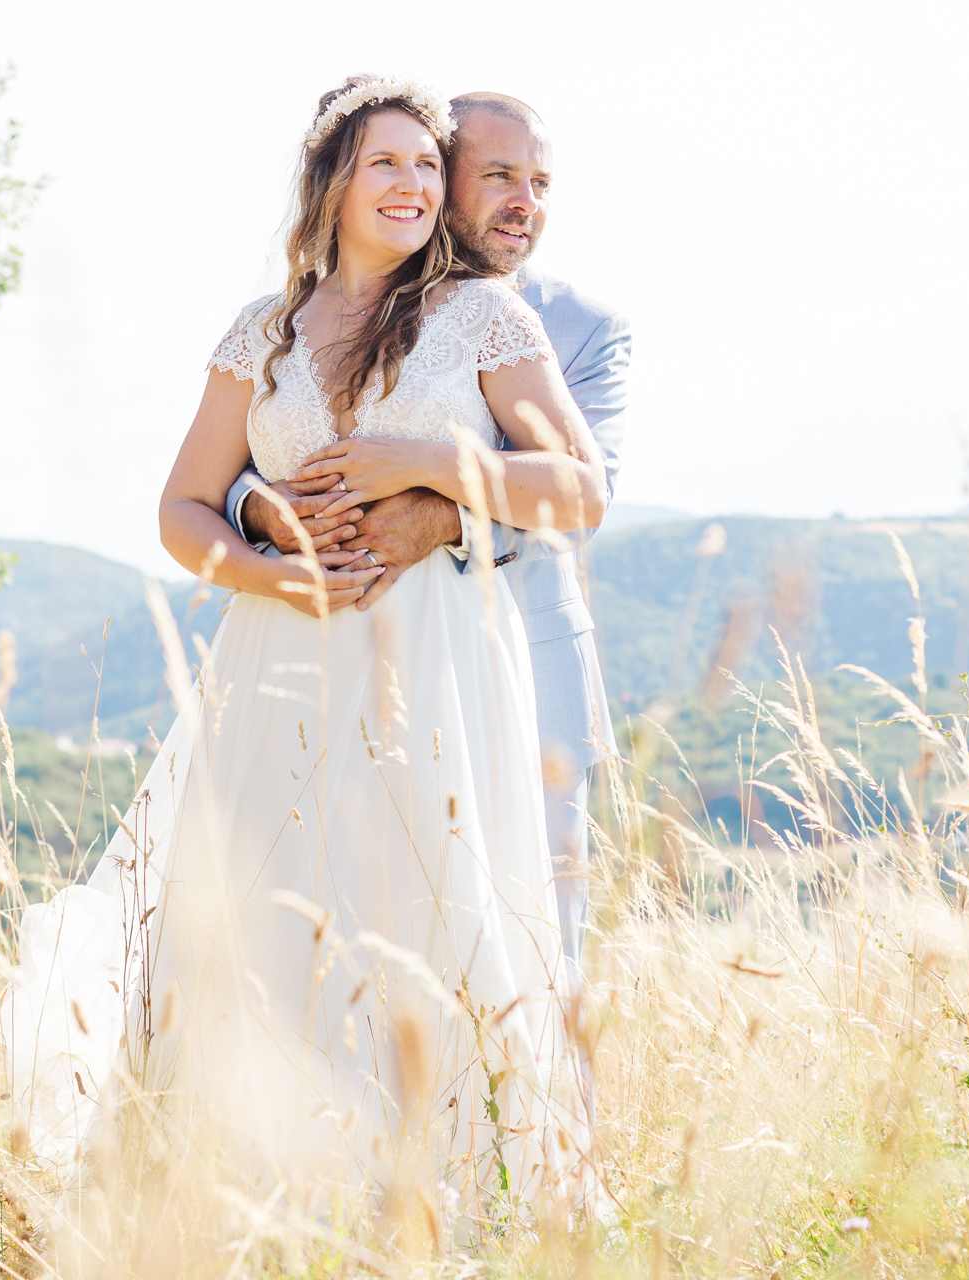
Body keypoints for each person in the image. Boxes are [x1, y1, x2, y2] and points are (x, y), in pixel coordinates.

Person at [0, 76, 604, 1213]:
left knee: (421, 903)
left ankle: (441, 1190)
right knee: (263, 915)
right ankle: (246, 1191)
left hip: (433, 663)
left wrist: (423, 461)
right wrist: (268, 573)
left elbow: (577, 488)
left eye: (429, 166)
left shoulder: (482, 317)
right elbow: (183, 508)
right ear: (330, 184)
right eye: (389, 164)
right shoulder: (261, 331)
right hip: (273, 662)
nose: (415, 185)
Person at [224, 91, 628, 982]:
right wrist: (265, 512)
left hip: (520, 640)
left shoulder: (580, 325)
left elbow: (590, 489)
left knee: (531, 928)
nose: (524, 201)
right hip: (328, 642)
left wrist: (435, 505)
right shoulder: (301, 314)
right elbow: (248, 460)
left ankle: (535, 1123)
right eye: (497, 177)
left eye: (540, 182)